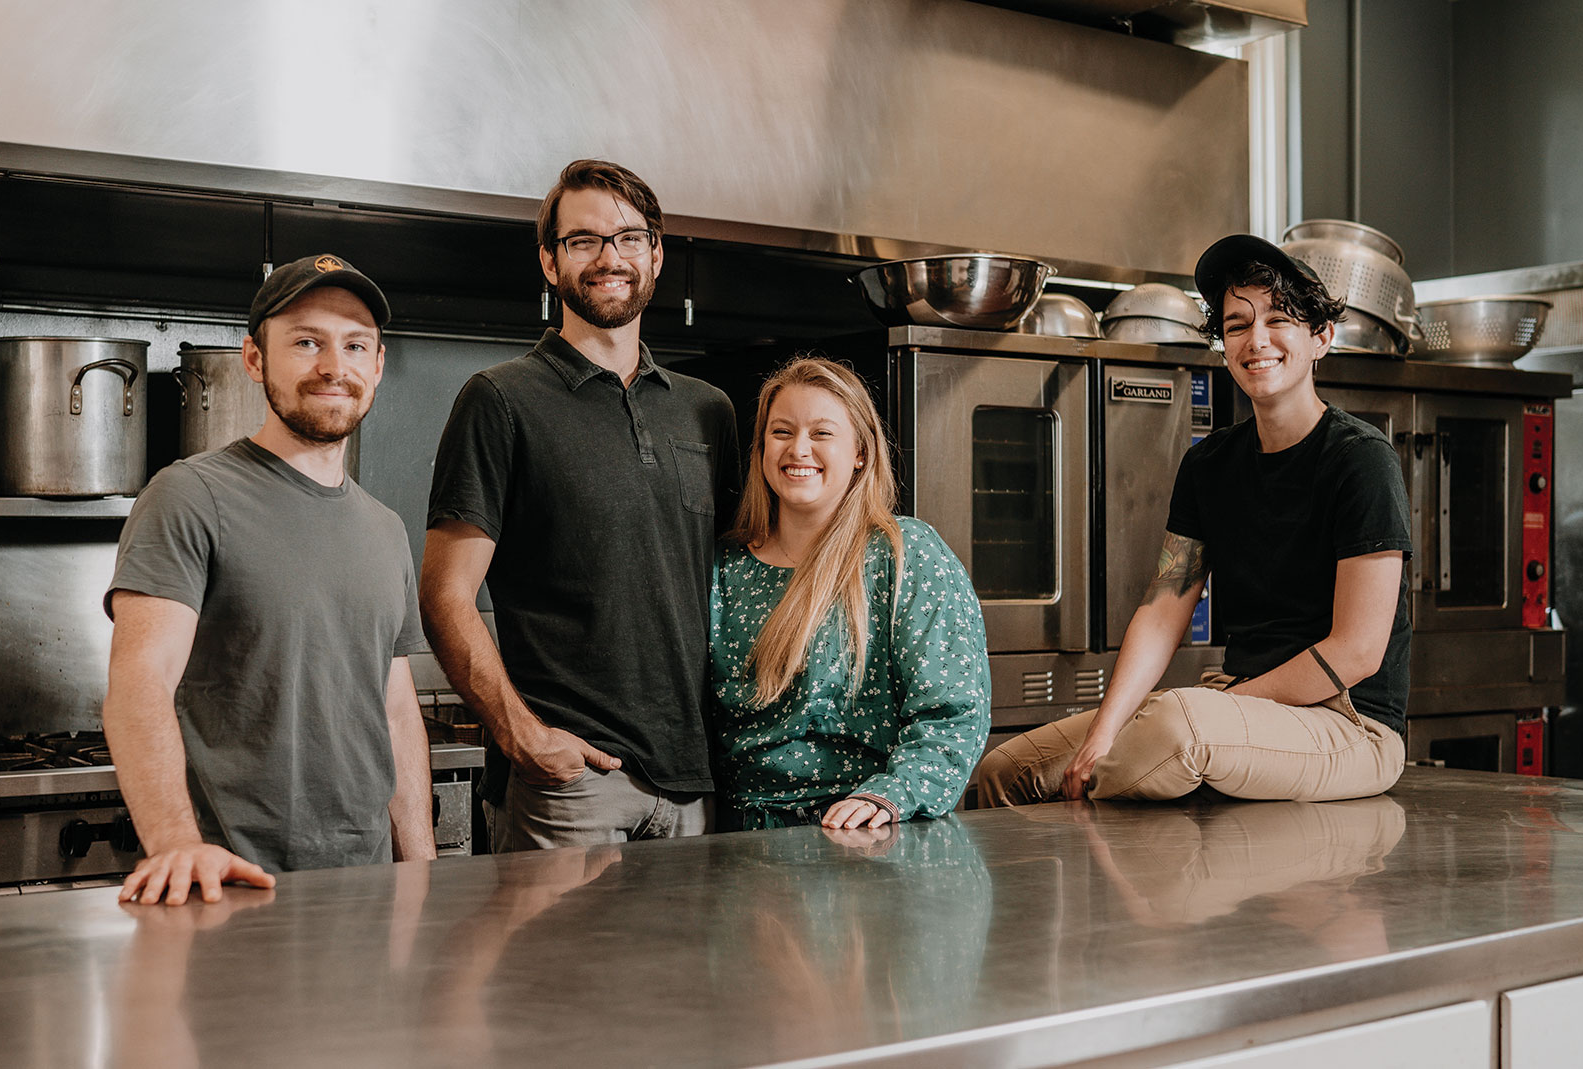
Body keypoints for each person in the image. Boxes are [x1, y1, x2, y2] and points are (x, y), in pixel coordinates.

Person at [975, 234, 1411, 806]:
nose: (1257, 340)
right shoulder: (1209, 465)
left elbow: (1357, 650)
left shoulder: (1360, 458)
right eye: (1236, 324)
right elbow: (1163, 611)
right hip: (1233, 704)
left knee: (1176, 728)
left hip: (1348, 723)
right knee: (1005, 769)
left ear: (1321, 338)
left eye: (1279, 320)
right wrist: (1104, 729)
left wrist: (1233, 705)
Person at [422, 159, 740, 851]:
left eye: (629, 238)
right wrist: (524, 737)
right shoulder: (501, 400)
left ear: (656, 255)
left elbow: (744, 583)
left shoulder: (708, 411)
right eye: (583, 240)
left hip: (696, 786)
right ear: (549, 260)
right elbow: (446, 594)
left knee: (689, 965)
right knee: (557, 966)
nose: (609, 258)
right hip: (570, 790)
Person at [104, 253, 435, 905]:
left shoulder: (386, 528)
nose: (333, 367)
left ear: (378, 365)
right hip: (229, 885)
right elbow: (137, 680)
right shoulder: (189, 495)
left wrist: (423, 868)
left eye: (354, 346)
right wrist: (174, 841)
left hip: (366, 892)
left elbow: (395, 711)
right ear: (254, 359)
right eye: (306, 342)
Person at [711, 357, 990, 830]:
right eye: (782, 432)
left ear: (860, 452)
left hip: (866, 833)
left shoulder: (905, 554)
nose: (799, 449)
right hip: (737, 840)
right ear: (760, 448)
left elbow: (953, 712)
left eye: (822, 434)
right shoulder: (724, 566)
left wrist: (891, 796)